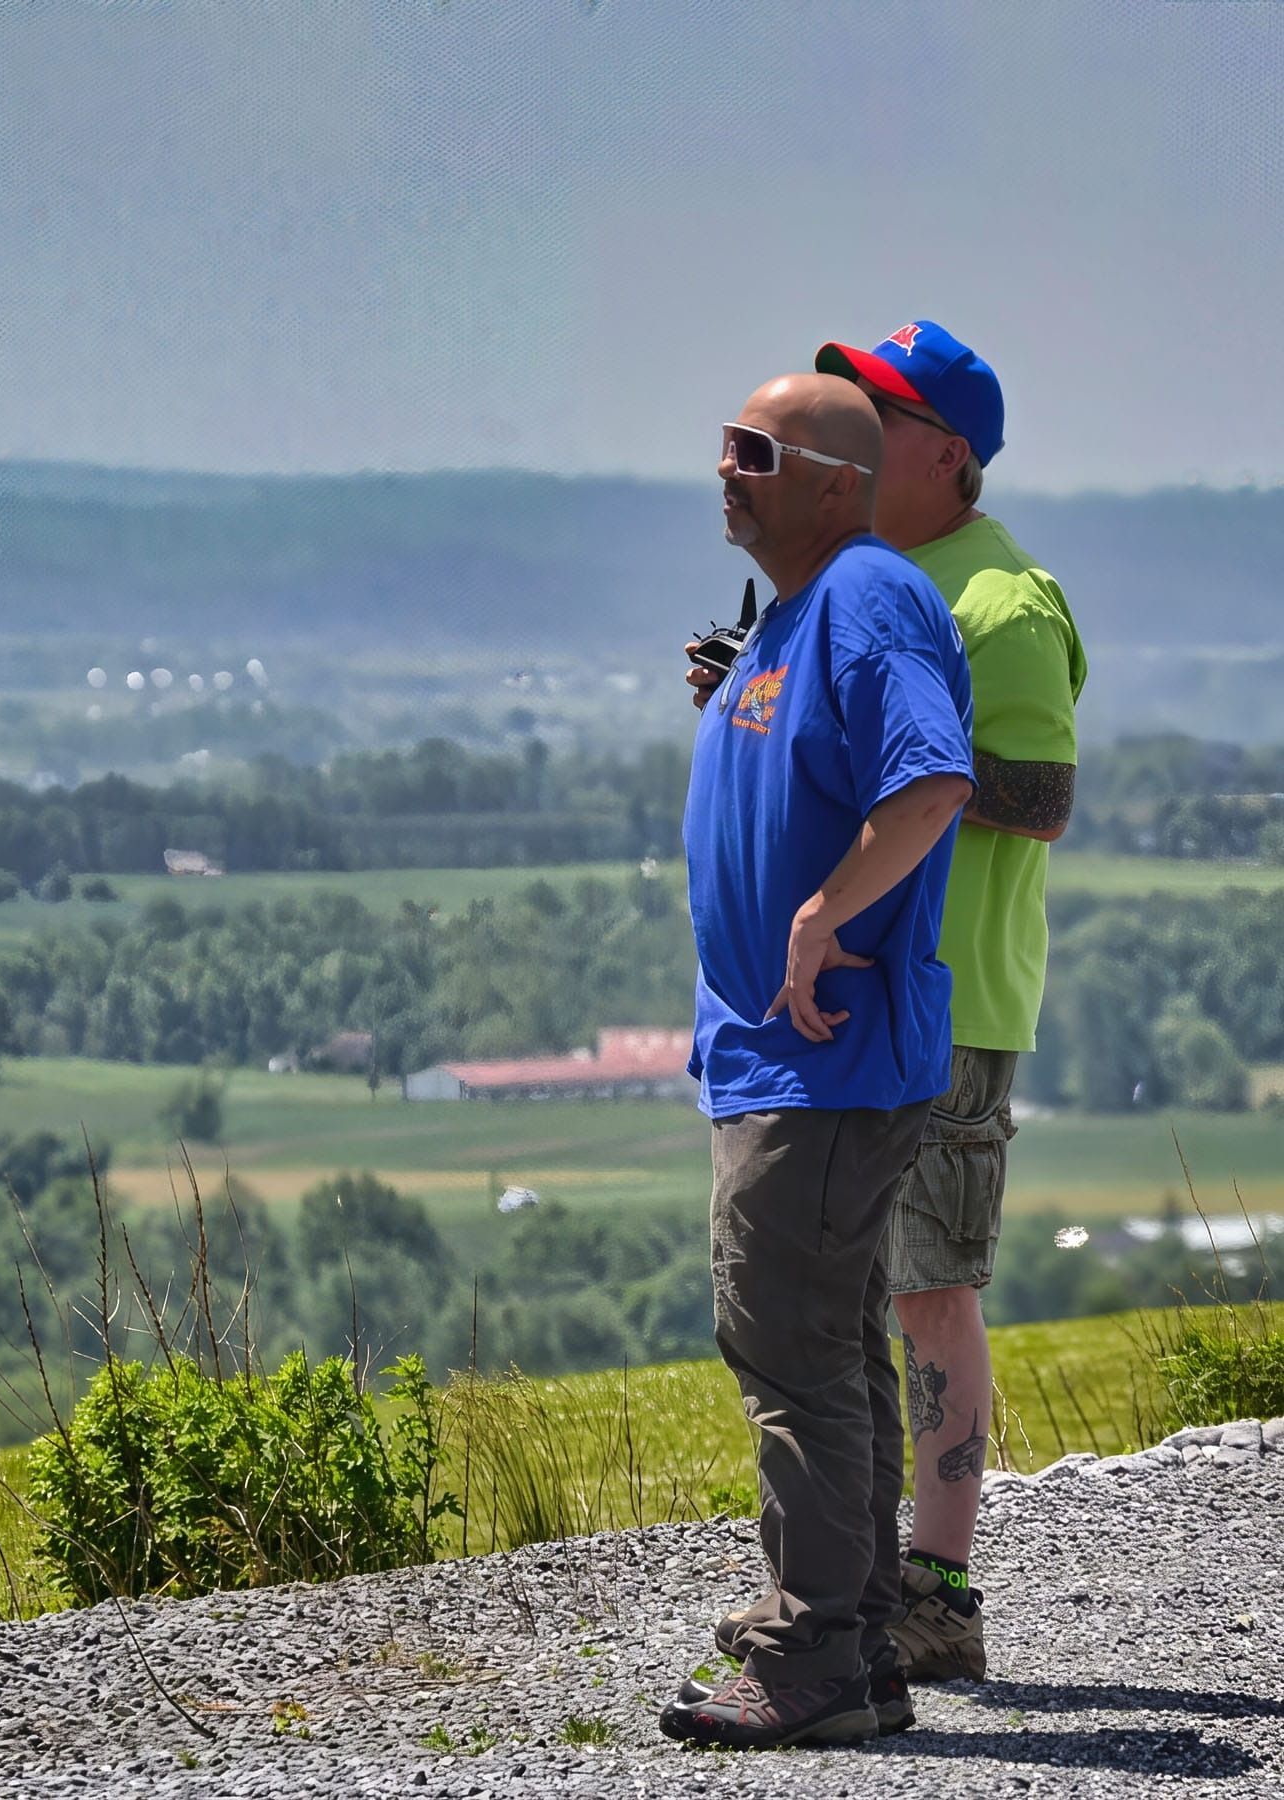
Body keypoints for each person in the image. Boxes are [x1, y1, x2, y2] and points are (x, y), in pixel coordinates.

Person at [693, 324, 1088, 1682]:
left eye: (882, 403)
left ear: (943, 453)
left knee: (922, 1295)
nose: (858, 412)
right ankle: (872, 1604)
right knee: (858, 1302)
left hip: (944, 994)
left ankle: (933, 1591)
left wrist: (883, 745)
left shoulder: (996, 599)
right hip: (866, 995)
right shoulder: (876, 584)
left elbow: (1034, 799)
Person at [659, 373, 974, 1751]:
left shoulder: (868, 592)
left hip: (824, 1063)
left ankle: (814, 1659)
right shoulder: (797, 615)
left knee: (789, 1342)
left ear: (837, 481)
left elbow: (933, 778)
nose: (723, 470)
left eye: (754, 452)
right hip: (783, 1060)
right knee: (832, 1345)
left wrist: (821, 914)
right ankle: (850, 1629)